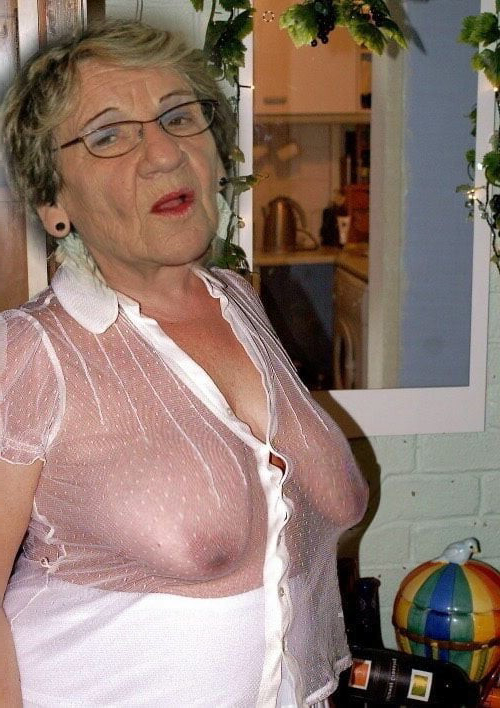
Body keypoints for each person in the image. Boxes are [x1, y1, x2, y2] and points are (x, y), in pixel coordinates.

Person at [0, 20, 368, 707]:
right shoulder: (31, 351)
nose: (165, 153)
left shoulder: (239, 301)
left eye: (178, 117)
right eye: (109, 135)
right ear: (54, 203)